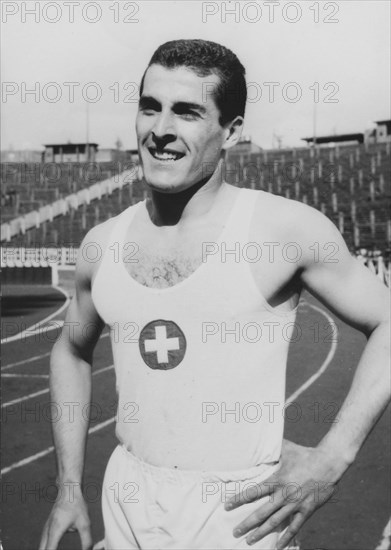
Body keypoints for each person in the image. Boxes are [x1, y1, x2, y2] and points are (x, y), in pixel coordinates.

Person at [39, 39, 390, 550]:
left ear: (231, 131)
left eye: (187, 112)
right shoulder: (102, 244)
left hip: (237, 514)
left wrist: (332, 458)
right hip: (127, 497)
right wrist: (69, 487)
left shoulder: (281, 229)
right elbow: (70, 350)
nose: (161, 130)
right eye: (150, 107)